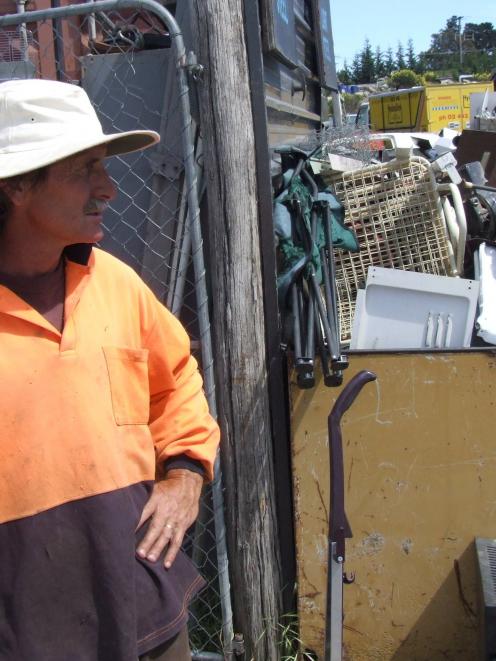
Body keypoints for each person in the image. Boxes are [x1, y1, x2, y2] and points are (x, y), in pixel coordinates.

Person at [0, 78, 220, 661]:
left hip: (145, 609)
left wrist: (185, 474)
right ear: (17, 185)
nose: (110, 189)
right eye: (85, 170)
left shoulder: (115, 284)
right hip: (25, 633)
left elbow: (176, 384)